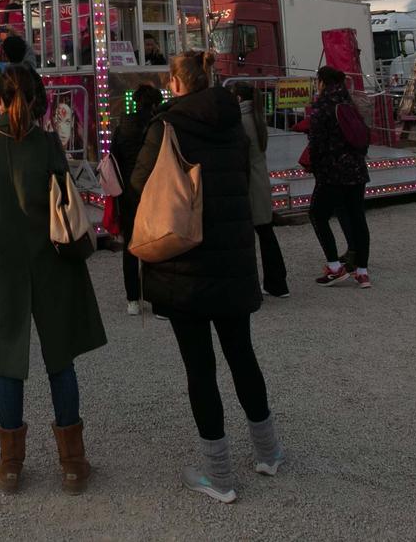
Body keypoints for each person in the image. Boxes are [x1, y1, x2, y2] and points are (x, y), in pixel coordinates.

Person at [133, 52, 286, 502]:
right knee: (243, 354)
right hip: (234, 257)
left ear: (175, 83)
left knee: (200, 368)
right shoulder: (233, 121)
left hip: (187, 261)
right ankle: (269, 451)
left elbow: (141, 182)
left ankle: (219, 476)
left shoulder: (167, 127)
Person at [0, 64, 106, 495]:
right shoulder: (47, 145)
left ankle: (11, 462)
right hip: (50, 259)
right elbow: (64, 194)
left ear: (0, 101)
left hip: (1, 261)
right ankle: (72, 461)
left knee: (8, 361)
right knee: (60, 358)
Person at [304, 66, 371, 288]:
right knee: (357, 218)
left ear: (322, 82)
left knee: (318, 215)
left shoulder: (322, 107)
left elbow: (316, 142)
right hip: (357, 170)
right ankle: (362, 271)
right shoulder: (350, 104)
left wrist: (313, 165)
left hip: (332, 172)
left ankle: (334, 267)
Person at [109, 82, 164, 315]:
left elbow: (113, 160)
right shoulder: (158, 126)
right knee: (157, 243)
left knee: (130, 245)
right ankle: (157, 296)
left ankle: (133, 298)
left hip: (127, 192)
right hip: (153, 190)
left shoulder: (122, 128)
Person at [232, 82, 288, 298]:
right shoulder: (257, 118)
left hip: (248, 183)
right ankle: (277, 281)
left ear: (237, 98)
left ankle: (255, 285)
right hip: (260, 181)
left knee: (247, 239)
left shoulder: (240, 121)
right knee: (266, 234)